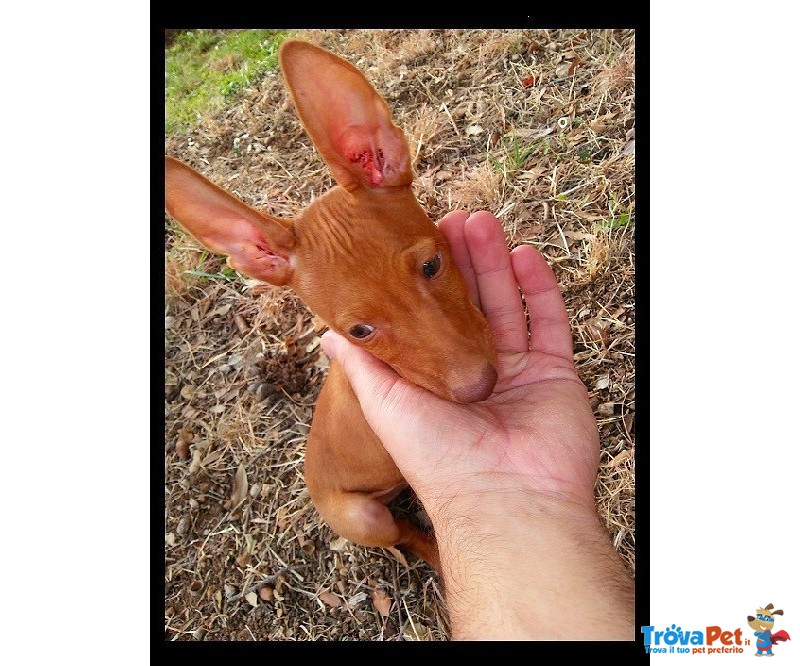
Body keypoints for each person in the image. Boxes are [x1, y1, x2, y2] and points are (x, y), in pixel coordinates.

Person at [320, 210, 634, 640]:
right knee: (368, 521)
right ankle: (416, 539)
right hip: (352, 492)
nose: (473, 380)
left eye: (430, 267)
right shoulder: (366, 376)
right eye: (362, 330)